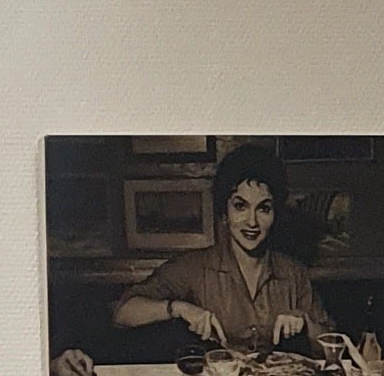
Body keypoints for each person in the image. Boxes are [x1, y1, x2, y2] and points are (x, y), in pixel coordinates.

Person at [113, 144, 334, 360]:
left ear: (275, 214)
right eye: (240, 206)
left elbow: (331, 346)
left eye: (264, 208)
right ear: (225, 213)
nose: (252, 221)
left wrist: (305, 322)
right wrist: (178, 308)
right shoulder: (195, 267)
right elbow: (123, 312)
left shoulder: (294, 273)